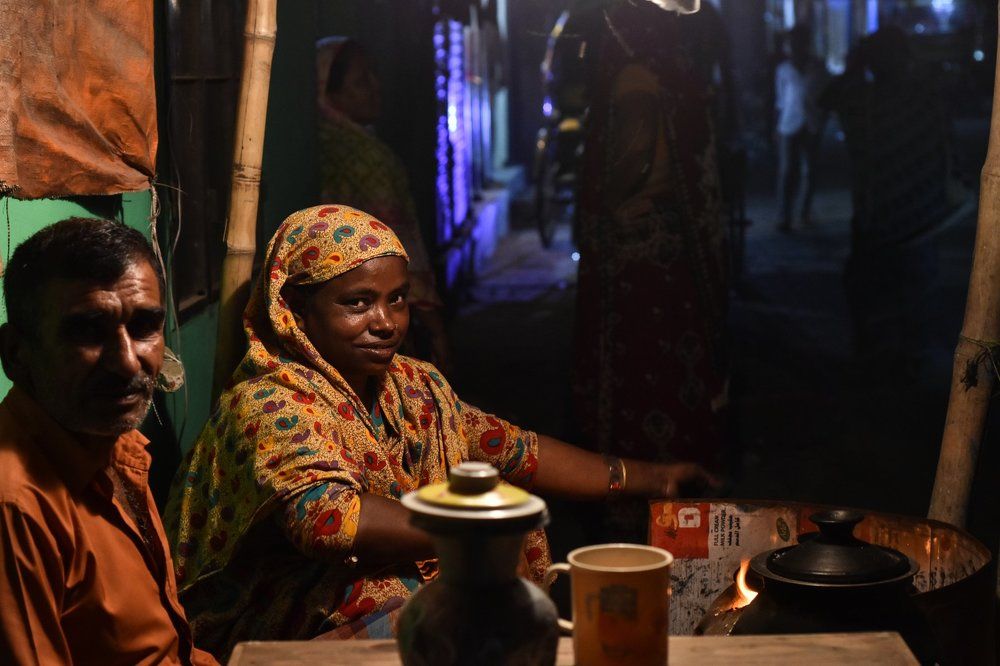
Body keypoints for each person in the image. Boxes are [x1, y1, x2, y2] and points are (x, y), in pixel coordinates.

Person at [164, 205, 716, 658]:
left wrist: (653, 479)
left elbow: (513, 449)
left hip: (372, 586)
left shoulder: (412, 385)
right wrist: (481, 532)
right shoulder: (268, 401)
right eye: (357, 303)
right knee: (445, 603)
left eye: (397, 299)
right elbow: (328, 520)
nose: (385, 323)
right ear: (296, 310)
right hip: (275, 610)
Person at [0, 218, 217, 664]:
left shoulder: (115, 444)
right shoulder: (16, 507)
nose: (127, 361)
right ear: (16, 353)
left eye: (145, 326)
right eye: (88, 331)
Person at [572, 0, 730, 542]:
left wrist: (604, 198)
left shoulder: (633, 77)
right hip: (670, 254)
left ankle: (642, 506)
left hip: (640, 259)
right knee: (673, 376)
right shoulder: (670, 75)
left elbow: (636, 154)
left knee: (641, 377)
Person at [821, 27, 953, 369]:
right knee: (914, 295)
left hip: (876, 219)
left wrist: (854, 64)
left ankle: (876, 353)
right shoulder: (926, 98)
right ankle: (909, 356)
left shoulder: (861, 101)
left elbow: (827, 98)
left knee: (870, 292)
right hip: (922, 217)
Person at [316, 37, 449, 371]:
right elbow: (403, 243)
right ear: (329, 90)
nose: (376, 88)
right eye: (361, 81)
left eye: (373, 76)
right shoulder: (368, 157)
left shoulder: (322, 144)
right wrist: (432, 321)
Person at [774, 26, 828, 232]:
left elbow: (825, 95)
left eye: (798, 42)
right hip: (789, 123)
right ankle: (784, 216)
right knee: (787, 170)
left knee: (810, 170)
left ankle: (804, 212)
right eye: (791, 43)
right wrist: (776, 126)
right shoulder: (783, 69)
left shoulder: (818, 67)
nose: (794, 47)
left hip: (812, 123)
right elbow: (780, 100)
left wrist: (822, 118)